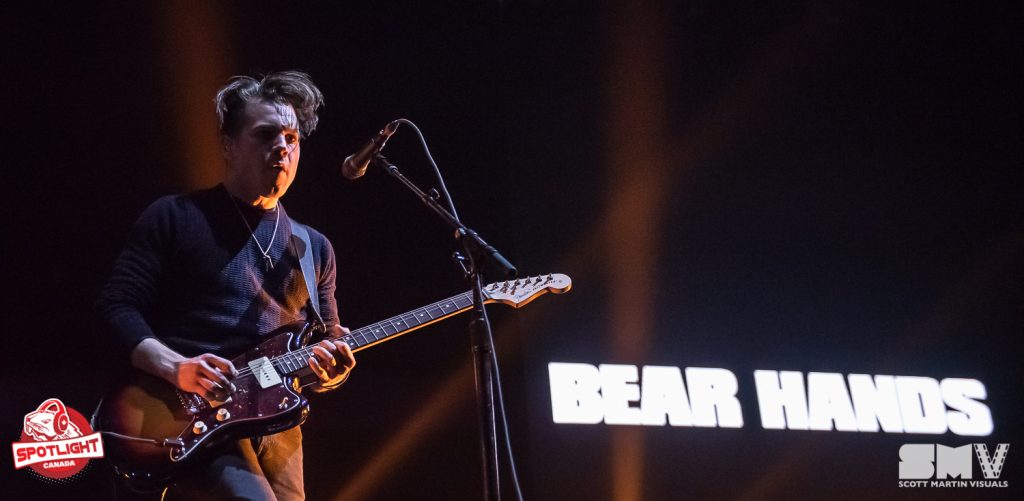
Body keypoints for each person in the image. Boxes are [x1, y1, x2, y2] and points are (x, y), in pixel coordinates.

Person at [97, 70, 356, 500]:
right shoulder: (176, 217)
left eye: (292, 138)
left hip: (280, 427)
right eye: (266, 134)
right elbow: (116, 307)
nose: (282, 147)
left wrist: (329, 372)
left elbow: (323, 346)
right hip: (189, 411)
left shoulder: (315, 248)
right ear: (228, 145)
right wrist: (175, 367)